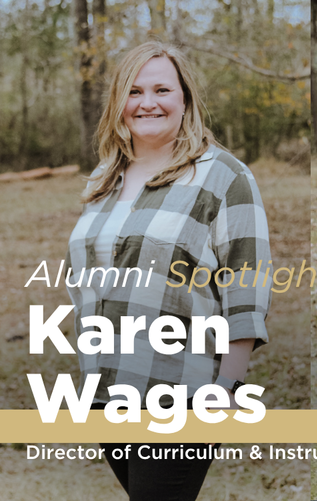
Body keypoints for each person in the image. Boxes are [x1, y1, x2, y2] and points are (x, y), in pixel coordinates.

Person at [66, 42, 271, 500]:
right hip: (106, 390)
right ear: (119, 102)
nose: (148, 102)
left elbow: (245, 286)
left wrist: (228, 387)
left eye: (162, 89)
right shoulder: (105, 177)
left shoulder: (223, 175)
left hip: (183, 392)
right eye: (135, 91)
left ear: (185, 100)